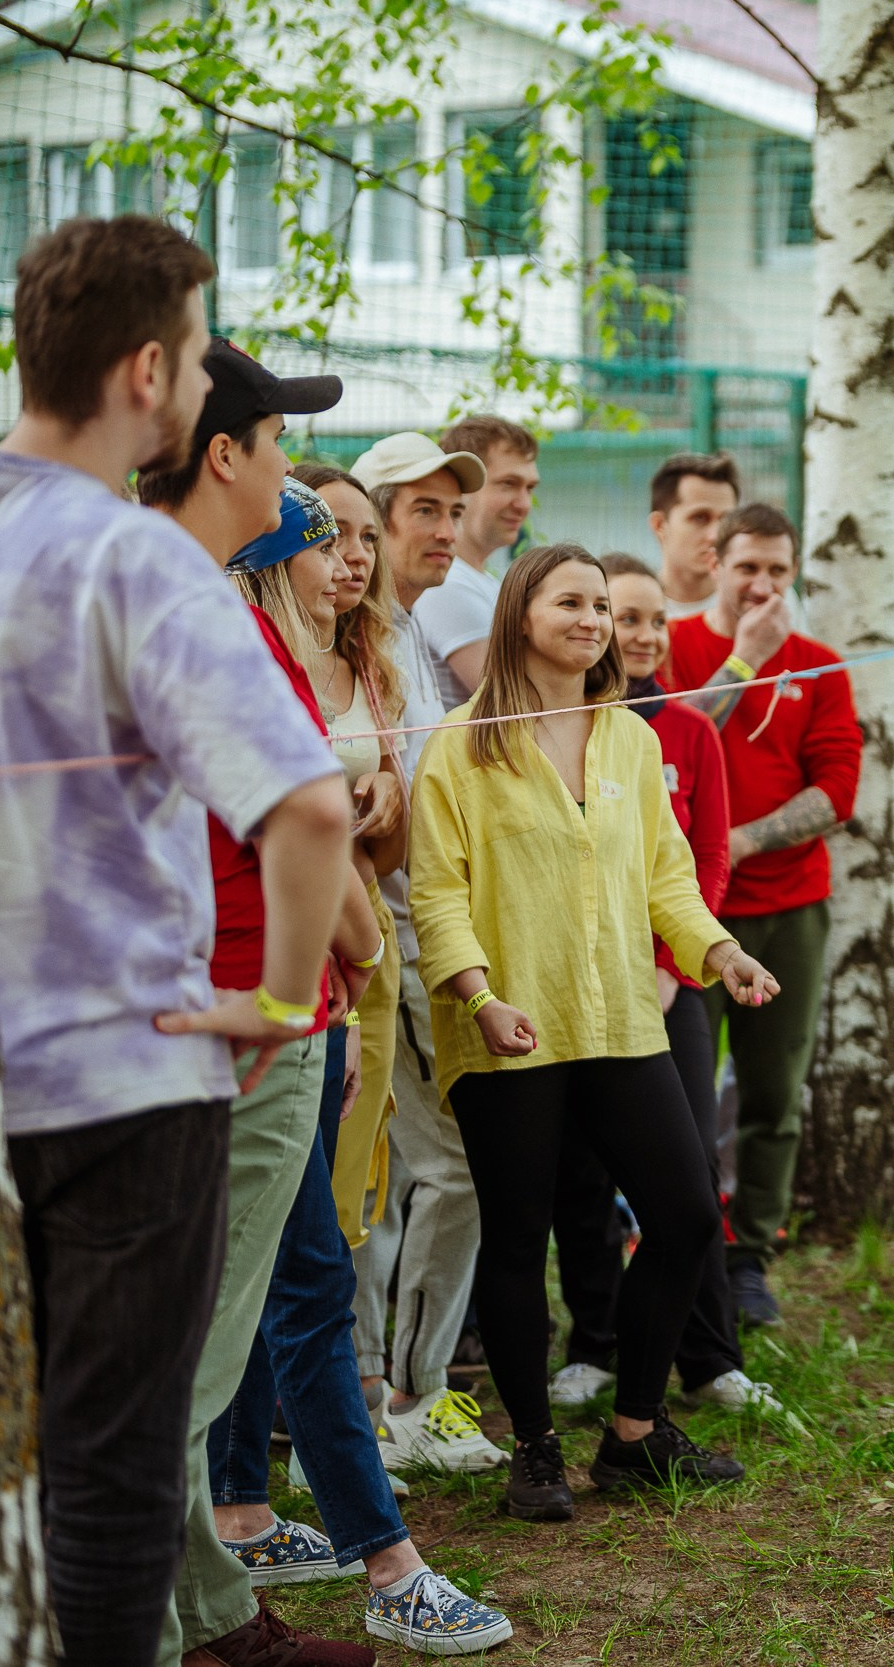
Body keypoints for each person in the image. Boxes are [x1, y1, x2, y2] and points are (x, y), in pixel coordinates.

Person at [0, 216, 348, 1667]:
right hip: (125, 1084)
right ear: (145, 370)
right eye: (192, 356)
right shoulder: (132, 557)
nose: (196, 387)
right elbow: (309, 811)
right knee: (113, 1470)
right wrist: (279, 999)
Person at [199, 481, 512, 1656]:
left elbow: (357, 823)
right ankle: (384, 1563)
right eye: (325, 538)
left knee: (273, 1285)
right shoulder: (239, 656)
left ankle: (229, 1533)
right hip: (272, 1009)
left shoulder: (324, 663)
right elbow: (310, 834)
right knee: (304, 1286)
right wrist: (359, 947)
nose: (349, 559)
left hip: (300, 1007)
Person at [408, 544, 782, 1521]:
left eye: (600, 608)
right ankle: (533, 1450)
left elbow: (665, 879)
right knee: (519, 1234)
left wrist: (718, 954)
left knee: (688, 1212)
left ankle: (634, 1433)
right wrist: (478, 993)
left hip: (621, 1019)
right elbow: (438, 889)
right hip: (506, 1030)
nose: (592, 620)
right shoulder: (461, 744)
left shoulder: (631, 740)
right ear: (519, 616)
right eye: (568, 602)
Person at [132, 345, 396, 1664]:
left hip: (219, 1006)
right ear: (224, 455)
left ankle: (215, 1612)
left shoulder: (190, 600)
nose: (294, 468)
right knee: (197, 1355)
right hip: (241, 1017)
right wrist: (325, 977)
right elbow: (304, 819)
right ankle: (170, 1631)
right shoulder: (192, 607)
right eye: (280, 442)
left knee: (198, 1344)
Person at [577, 553, 781, 1415]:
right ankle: (594, 1344)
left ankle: (710, 1357)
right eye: (627, 618)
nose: (644, 636)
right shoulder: (567, 728)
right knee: (581, 1170)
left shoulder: (689, 731)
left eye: (656, 620)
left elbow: (706, 860)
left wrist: (671, 965)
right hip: (580, 989)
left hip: (675, 982)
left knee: (690, 1165)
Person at [343, 432, 509, 1479]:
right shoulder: (347, 636)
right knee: (420, 1172)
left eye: (456, 513)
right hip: (375, 937)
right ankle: (392, 1396)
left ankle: (393, 1393)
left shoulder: (401, 631)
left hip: (429, 931)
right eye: (423, 512)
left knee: (416, 1173)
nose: (445, 532)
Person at [661, 505, 863, 1329]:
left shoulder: (819, 665)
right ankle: (679, 1245)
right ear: (714, 560)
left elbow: (838, 790)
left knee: (775, 1092)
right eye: (750, 567)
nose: (765, 585)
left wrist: (741, 839)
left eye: (780, 571)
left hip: (790, 907)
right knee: (679, 1095)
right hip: (689, 914)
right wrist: (746, 659)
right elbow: (667, 739)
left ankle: (750, 1257)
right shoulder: (674, 646)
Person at [291, 462, 408, 1248]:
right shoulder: (264, 655)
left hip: (372, 931)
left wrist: (394, 798)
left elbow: (391, 857)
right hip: (297, 938)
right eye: (334, 534)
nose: (356, 555)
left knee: (347, 1183)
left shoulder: (375, 669)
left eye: (369, 536)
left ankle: (356, 1367)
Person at [410, 415, 540, 709]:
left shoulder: (478, 578)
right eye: (508, 484)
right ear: (464, 485)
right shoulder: (447, 582)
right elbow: (514, 705)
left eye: (529, 488)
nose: (523, 504)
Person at [647, 451, 740, 620]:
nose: (716, 536)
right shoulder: (626, 608)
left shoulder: (763, 599)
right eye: (700, 518)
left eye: (727, 520)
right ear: (660, 525)